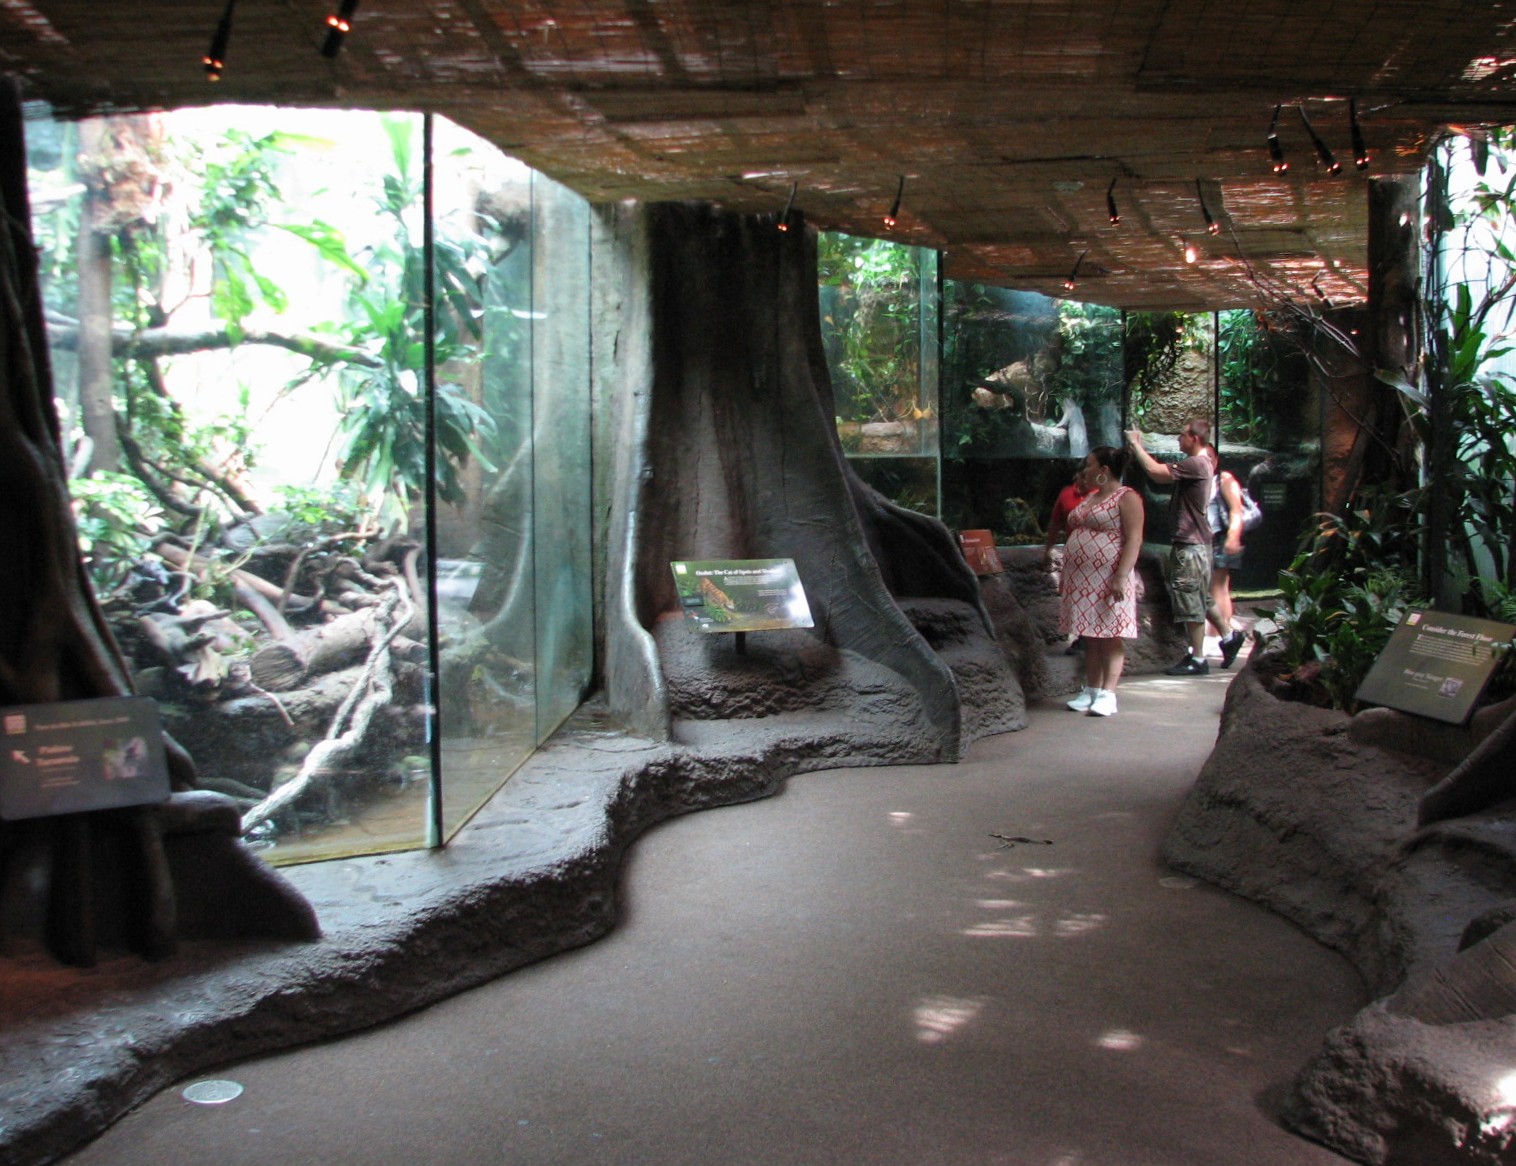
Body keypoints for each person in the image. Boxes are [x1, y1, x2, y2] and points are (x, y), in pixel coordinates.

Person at [1058, 445, 1144, 717]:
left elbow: (1134, 538)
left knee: (1110, 634)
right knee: (1090, 635)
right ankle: (1091, 690)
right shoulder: (1092, 496)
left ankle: (1109, 693)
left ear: (1104, 470)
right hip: (1082, 580)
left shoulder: (1126, 497)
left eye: (1090, 464)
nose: (1085, 469)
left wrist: (1120, 576)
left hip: (1108, 578)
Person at [1125, 420, 1215, 676]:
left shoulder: (1196, 463)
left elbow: (1155, 473)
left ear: (1195, 438)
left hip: (1191, 546)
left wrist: (1135, 444)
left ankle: (1198, 659)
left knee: (1190, 600)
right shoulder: (1201, 462)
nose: (1178, 439)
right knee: (1195, 597)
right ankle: (1212, 645)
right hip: (1195, 544)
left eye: (1182, 435)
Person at [1207, 456, 1248, 669]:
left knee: (1218, 586)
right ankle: (1220, 634)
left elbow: (1236, 509)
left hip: (1224, 538)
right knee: (1216, 585)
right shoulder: (1208, 480)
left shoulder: (1225, 479)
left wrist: (1233, 537)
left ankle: (1216, 637)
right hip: (1215, 538)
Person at [1042, 463, 1096, 570]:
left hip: (1096, 551)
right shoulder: (1066, 493)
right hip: (1073, 551)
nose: (1086, 481)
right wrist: (1048, 549)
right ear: (1077, 475)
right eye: (1083, 476)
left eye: (1089, 477)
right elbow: (1055, 523)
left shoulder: (1100, 494)